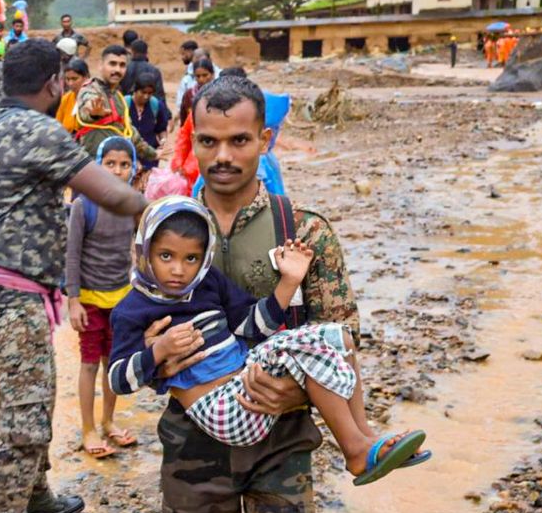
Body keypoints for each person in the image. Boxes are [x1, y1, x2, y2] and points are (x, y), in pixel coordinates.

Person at [129, 75, 365, 513]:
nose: (223, 156)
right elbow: (136, 326)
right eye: (209, 141)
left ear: (264, 138)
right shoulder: (163, 228)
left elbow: (342, 337)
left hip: (280, 442)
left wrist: (300, 394)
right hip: (194, 439)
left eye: (239, 140)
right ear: (192, 138)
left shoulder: (305, 230)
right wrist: (154, 354)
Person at [0, 39, 149, 513]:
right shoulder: (37, 131)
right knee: (27, 422)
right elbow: (113, 195)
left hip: (5, 294)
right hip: (7, 299)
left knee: (36, 399)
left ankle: (35, 495)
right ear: (54, 84)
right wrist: (175, 209)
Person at [111, 196, 429, 471]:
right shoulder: (132, 310)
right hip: (222, 409)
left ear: (203, 256)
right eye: (166, 256)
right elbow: (118, 381)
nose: (179, 270)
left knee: (338, 337)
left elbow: (253, 326)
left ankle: (365, 438)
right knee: (303, 348)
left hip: (250, 387)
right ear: (144, 250)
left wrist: (289, 281)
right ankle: (355, 450)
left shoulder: (208, 283)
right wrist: (158, 351)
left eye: (191, 258)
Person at [65, 136, 143, 458]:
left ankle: (109, 421)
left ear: (132, 169)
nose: (117, 170)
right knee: (88, 365)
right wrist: (73, 301)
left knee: (113, 363)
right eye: (110, 163)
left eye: (124, 164)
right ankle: (88, 428)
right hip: (90, 302)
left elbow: (142, 249)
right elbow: (71, 255)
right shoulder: (83, 206)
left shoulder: (134, 205)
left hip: (121, 300)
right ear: (99, 166)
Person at [75, 44, 158, 162]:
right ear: (100, 65)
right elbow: (87, 108)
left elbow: (130, 132)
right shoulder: (90, 89)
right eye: (112, 64)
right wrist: (94, 113)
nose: (117, 70)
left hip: (115, 167)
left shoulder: (118, 97)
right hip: (93, 168)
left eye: (122, 65)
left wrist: (153, 154)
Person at [171, 57, 217, 184]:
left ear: (212, 75)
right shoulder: (189, 95)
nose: (201, 79)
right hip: (193, 159)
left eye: (205, 75)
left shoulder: (221, 97)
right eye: (198, 76)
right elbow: (184, 133)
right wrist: (179, 161)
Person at [127, 71, 170, 169]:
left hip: (150, 156)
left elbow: (161, 128)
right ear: (135, 90)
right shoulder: (125, 104)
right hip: (128, 155)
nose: (146, 96)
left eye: (149, 93)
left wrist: (163, 140)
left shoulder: (156, 106)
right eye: (143, 92)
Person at [54, 57, 89, 132]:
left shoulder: (94, 98)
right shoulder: (66, 99)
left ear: (85, 77)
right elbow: (58, 125)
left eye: (74, 79)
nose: (70, 83)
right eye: (67, 79)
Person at [174, 39, 200, 119]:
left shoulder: (195, 70)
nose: (182, 57)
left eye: (183, 54)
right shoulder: (189, 69)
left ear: (190, 52)